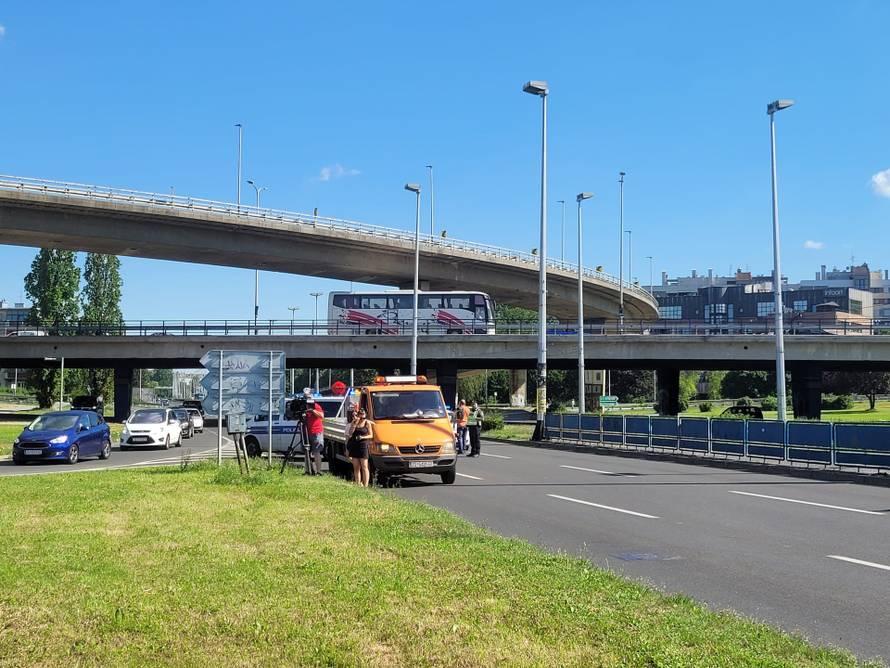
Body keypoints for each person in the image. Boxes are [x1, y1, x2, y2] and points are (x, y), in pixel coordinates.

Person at [345, 407, 373, 487]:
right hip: (354, 445)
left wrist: (363, 437)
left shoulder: (367, 423)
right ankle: (358, 483)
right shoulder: (354, 422)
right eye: (360, 414)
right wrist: (354, 423)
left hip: (363, 445)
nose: (362, 415)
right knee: (356, 466)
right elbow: (350, 434)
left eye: (363, 414)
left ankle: (366, 485)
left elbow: (371, 435)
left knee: (364, 466)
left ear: (365, 414)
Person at [303, 398, 325, 475]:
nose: (308, 404)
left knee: (316, 452)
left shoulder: (316, 406)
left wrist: (312, 410)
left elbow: (322, 416)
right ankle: (308, 470)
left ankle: (318, 471)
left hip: (316, 431)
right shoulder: (303, 406)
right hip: (306, 431)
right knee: (306, 451)